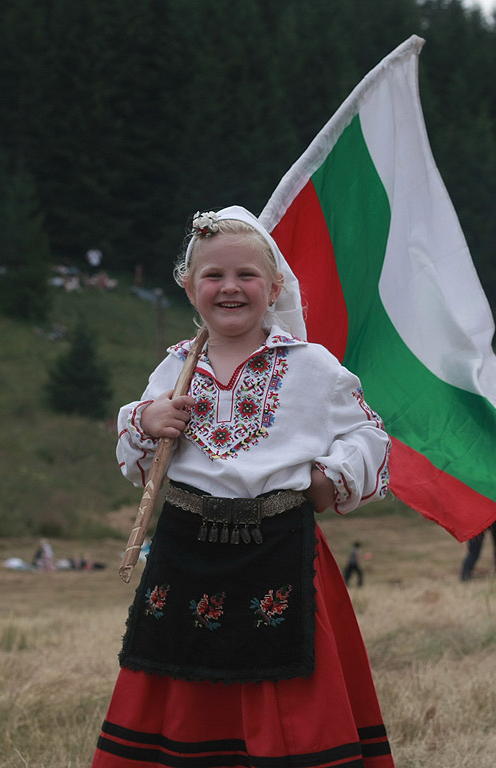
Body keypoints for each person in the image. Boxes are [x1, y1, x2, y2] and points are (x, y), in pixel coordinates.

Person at [91, 206, 394, 767]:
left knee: (287, 696)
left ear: (275, 286)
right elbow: (136, 463)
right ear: (188, 287)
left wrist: (331, 476)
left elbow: (370, 435)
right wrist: (145, 421)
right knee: (181, 692)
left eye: (246, 275)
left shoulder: (313, 367)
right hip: (185, 556)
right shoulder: (174, 368)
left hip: (280, 554)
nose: (230, 287)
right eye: (213, 275)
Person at [460, 512, 496, 581]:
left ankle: (465, 577)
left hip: (482, 515)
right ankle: (465, 577)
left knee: (474, 552)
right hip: (495, 513)